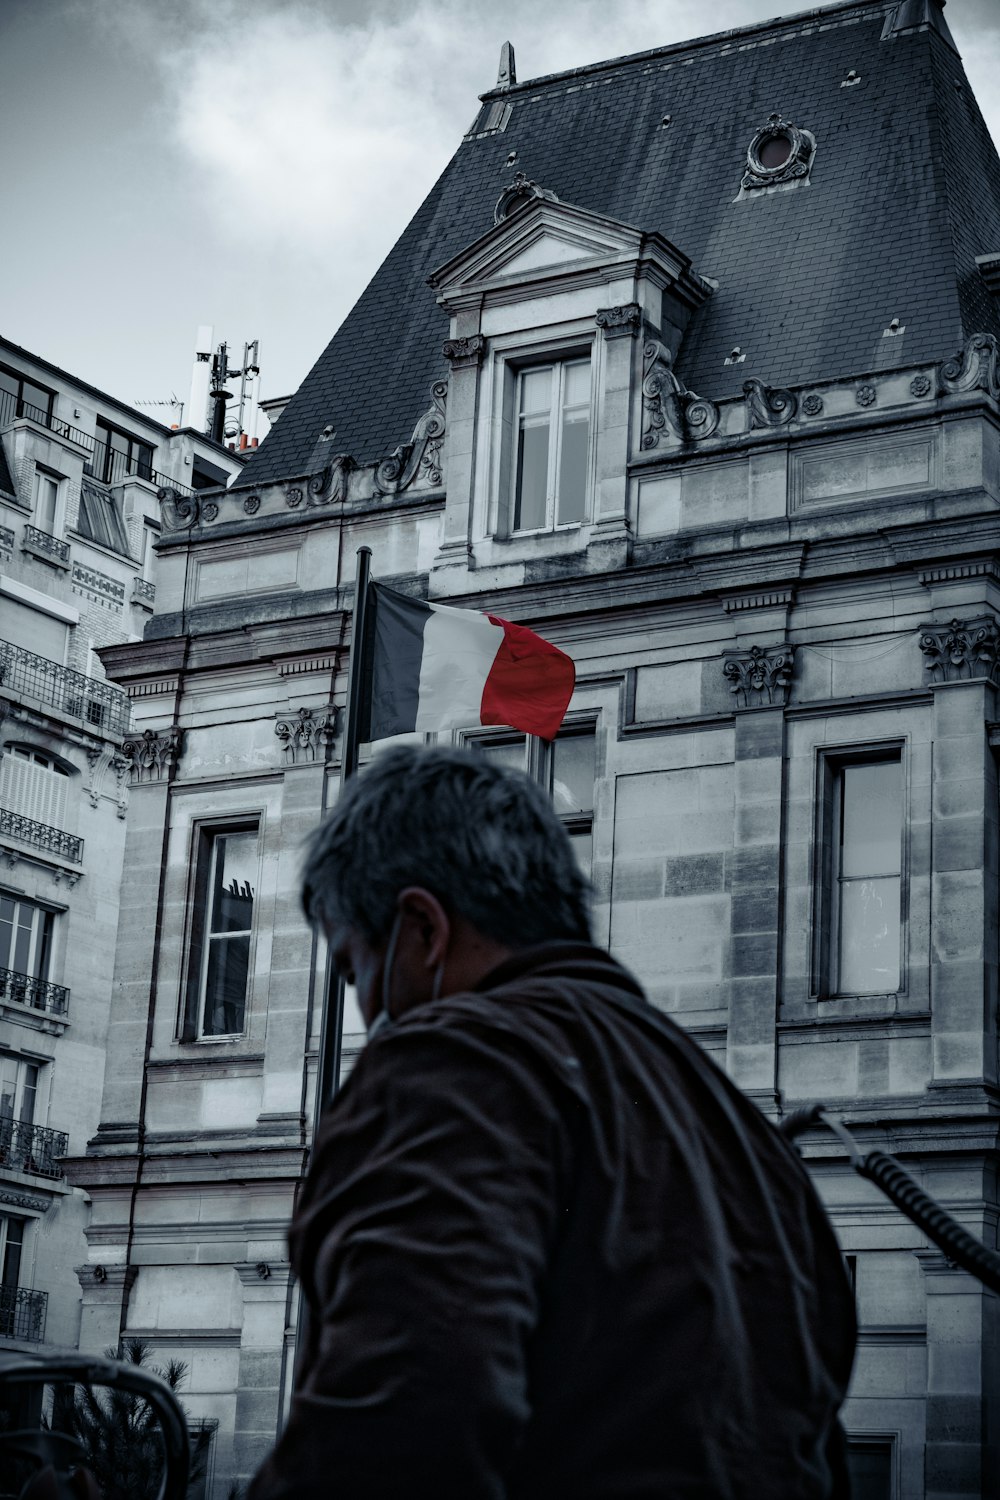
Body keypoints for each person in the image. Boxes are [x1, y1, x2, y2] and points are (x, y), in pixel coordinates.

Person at [249, 744, 855, 1499]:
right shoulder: (739, 1126)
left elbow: (394, 1439)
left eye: (353, 969)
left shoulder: (451, 1060)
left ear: (422, 929)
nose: (366, 1011)